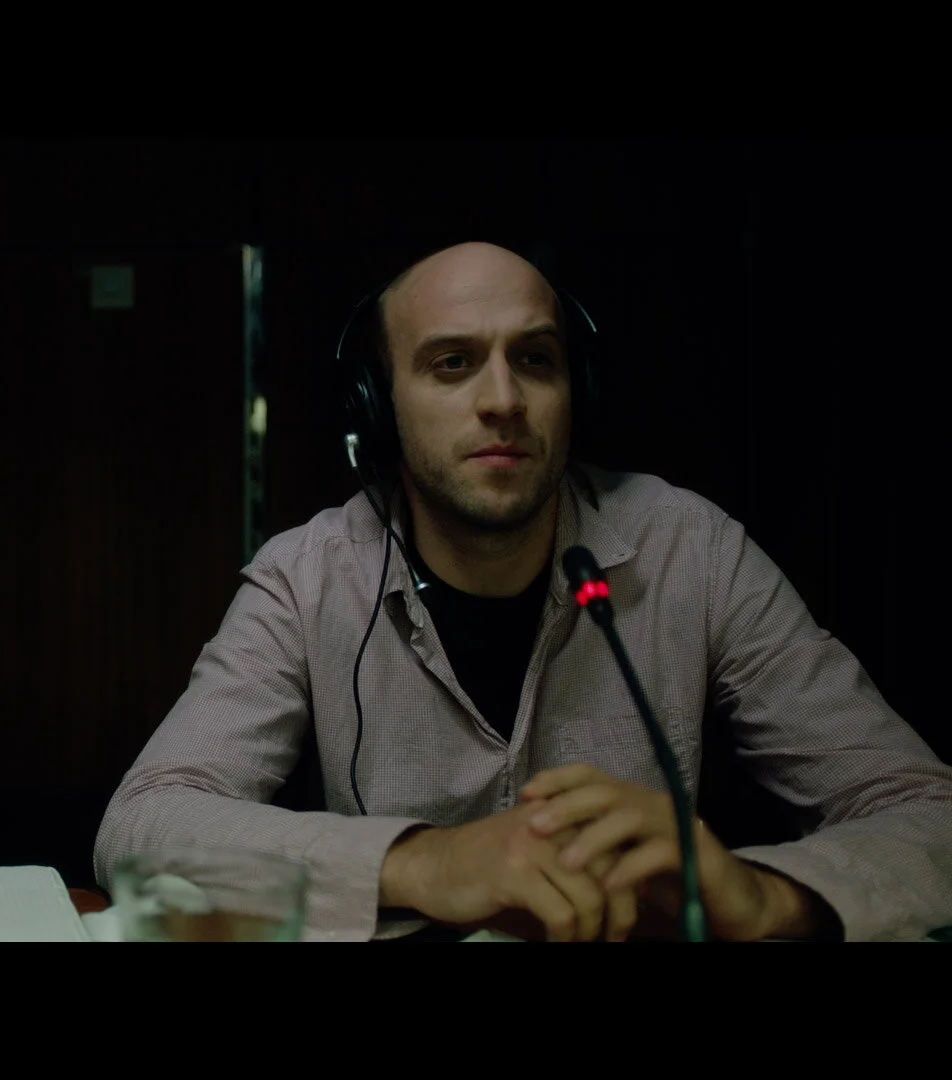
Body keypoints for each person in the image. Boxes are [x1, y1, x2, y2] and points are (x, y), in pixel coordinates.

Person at [94, 241, 952, 941]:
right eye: (453, 363)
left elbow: (928, 810)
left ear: (577, 391)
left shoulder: (694, 550)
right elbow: (147, 820)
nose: (503, 400)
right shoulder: (306, 575)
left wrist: (766, 895)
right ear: (377, 408)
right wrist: (425, 862)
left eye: (535, 360)